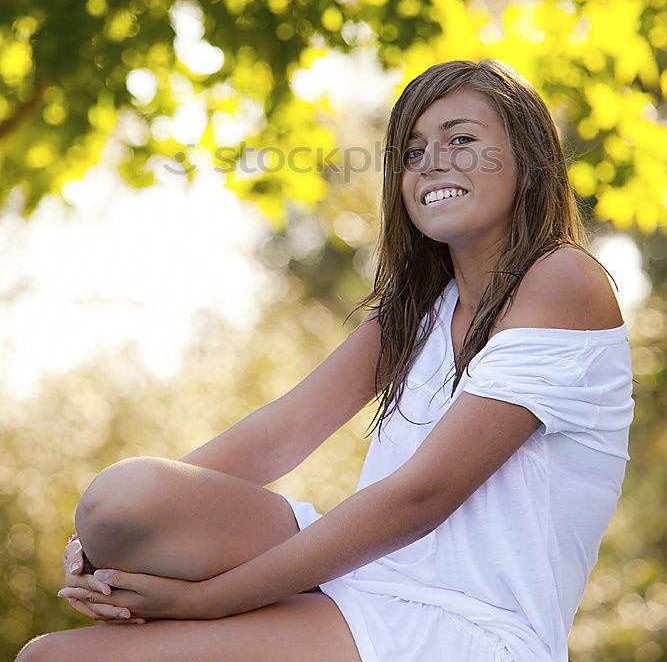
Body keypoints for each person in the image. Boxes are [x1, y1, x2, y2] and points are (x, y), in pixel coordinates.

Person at [17, 58, 635, 662]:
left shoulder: (564, 281)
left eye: (462, 139)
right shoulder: (414, 312)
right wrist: (92, 545)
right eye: (413, 152)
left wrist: (207, 601)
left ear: (527, 162)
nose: (432, 163)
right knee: (118, 506)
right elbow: (279, 435)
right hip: (363, 584)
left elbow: (421, 497)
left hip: (466, 625)